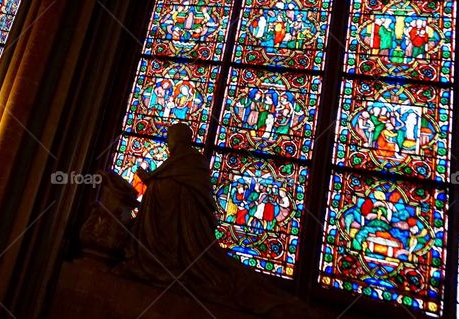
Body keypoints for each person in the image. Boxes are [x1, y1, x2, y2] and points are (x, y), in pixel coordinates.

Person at [117, 123, 321, 318]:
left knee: (219, 277)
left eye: (170, 137)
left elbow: (186, 191)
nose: (168, 142)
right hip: (167, 238)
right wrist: (152, 181)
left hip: (187, 239)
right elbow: (166, 182)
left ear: (177, 139)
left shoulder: (190, 162)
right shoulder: (179, 162)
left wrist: (155, 182)